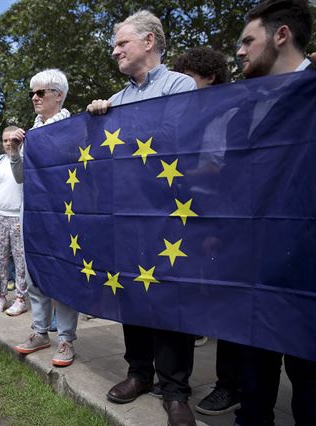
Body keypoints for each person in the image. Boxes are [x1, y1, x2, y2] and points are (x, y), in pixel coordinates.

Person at [86, 11, 197, 426]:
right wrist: (100, 123)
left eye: (121, 44)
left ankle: (175, 390)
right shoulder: (115, 101)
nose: (114, 51)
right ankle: (139, 373)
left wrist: (121, 128)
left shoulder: (180, 86)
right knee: (131, 293)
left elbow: (171, 139)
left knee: (168, 297)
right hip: (127, 215)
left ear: (148, 42)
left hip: (169, 215)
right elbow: (106, 158)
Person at [232, 1, 316, 425]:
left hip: (309, 273)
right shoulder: (239, 110)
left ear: (281, 35)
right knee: (255, 375)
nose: (241, 52)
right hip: (254, 269)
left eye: (248, 40)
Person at [172, 47, 244, 417]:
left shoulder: (228, 113)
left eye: (187, 79)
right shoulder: (187, 116)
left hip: (222, 219)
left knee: (225, 302)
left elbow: (216, 169)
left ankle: (230, 384)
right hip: (194, 218)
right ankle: (175, 380)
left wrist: (168, 175)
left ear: (210, 77)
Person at [8, 69, 79, 368]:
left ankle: (65, 338)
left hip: (65, 214)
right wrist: (14, 152)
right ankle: (40, 331)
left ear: (59, 95)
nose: (34, 98)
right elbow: (20, 177)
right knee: (35, 273)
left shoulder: (75, 128)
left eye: (41, 93)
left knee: (63, 274)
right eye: (32, 94)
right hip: (34, 213)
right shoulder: (30, 134)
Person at [0, 125, 27, 316]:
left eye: (12, 139)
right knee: (0, 260)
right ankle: (2, 296)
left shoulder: (25, 159)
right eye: (6, 140)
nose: (9, 143)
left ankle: (20, 298)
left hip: (18, 217)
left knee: (20, 261)